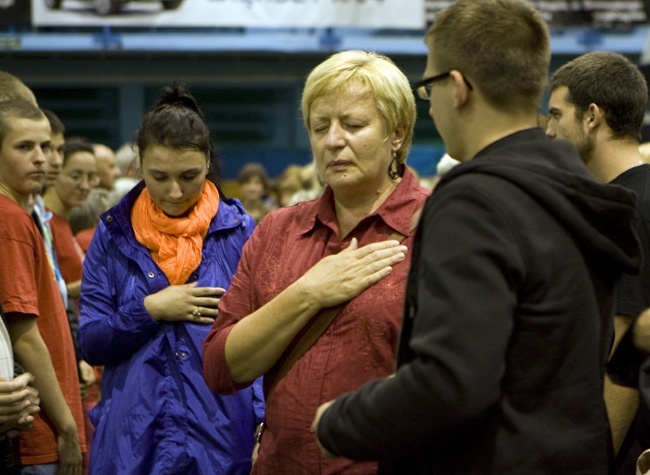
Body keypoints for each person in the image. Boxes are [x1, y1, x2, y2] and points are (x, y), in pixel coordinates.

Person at [311, 1, 642, 474]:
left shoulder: (475, 202)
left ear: (459, 88)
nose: (433, 103)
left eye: (429, 87)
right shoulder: (577, 188)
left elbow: (452, 382)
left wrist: (339, 422)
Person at [203, 50, 430, 474]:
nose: (333, 140)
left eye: (354, 125)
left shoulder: (437, 227)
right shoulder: (278, 230)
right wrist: (308, 293)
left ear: (396, 134)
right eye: (319, 126)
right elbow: (221, 368)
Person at [77, 84, 263, 475]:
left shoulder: (243, 233)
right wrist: (150, 309)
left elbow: (267, 336)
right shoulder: (112, 236)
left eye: (189, 176)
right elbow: (91, 341)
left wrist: (264, 421)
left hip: (223, 438)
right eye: (159, 176)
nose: (175, 191)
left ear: (208, 161)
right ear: (138, 165)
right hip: (133, 441)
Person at [544, 51, 650, 468]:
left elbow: (623, 356)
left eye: (556, 115)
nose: (549, 132)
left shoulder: (626, 212)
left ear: (591, 116)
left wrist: (589, 462)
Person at [0, 99, 85, 475]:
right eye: (24, 147)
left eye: (47, 147)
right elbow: (24, 334)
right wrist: (66, 427)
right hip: (38, 429)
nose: (41, 158)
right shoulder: (9, 220)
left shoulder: (21, 215)